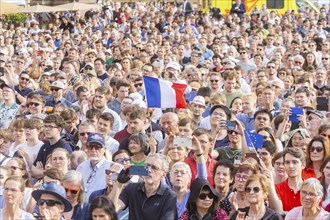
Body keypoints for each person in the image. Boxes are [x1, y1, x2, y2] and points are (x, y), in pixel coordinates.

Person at [111, 153, 178, 220]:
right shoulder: (131, 188)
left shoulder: (169, 196)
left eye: (154, 168)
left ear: (163, 175)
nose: (148, 170)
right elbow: (111, 210)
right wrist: (119, 183)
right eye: (147, 166)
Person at [76, 133, 111, 201]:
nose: (94, 150)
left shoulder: (111, 167)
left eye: (98, 147)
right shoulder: (81, 167)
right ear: (86, 147)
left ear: (104, 149)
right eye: (90, 146)